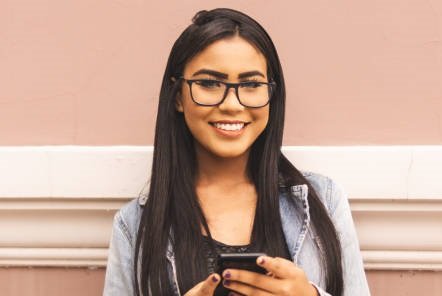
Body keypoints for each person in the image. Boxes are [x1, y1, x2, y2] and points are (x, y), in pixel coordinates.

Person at [103, 8, 370, 296]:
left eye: (252, 84)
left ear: (271, 95)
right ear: (178, 95)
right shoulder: (134, 226)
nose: (232, 104)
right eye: (208, 83)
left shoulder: (325, 201)